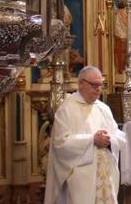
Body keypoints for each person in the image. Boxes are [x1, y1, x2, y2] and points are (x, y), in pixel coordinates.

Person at [44, 66, 126, 204]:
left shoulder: (103, 108)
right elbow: (61, 143)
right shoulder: (67, 109)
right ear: (81, 83)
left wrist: (110, 139)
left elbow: (118, 135)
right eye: (94, 85)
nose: (98, 89)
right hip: (82, 178)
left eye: (100, 85)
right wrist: (92, 140)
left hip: (106, 175)